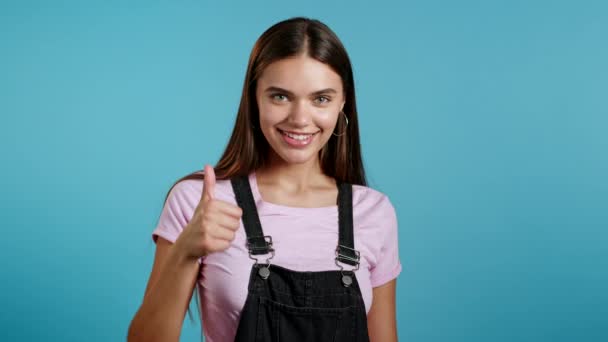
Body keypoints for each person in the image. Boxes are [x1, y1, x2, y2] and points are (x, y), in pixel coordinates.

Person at [128, 17, 402, 342]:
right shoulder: (201, 202)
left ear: (343, 103)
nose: (300, 119)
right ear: (254, 97)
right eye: (280, 97)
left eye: (321, 99)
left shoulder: (372, 212)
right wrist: (186, 250)